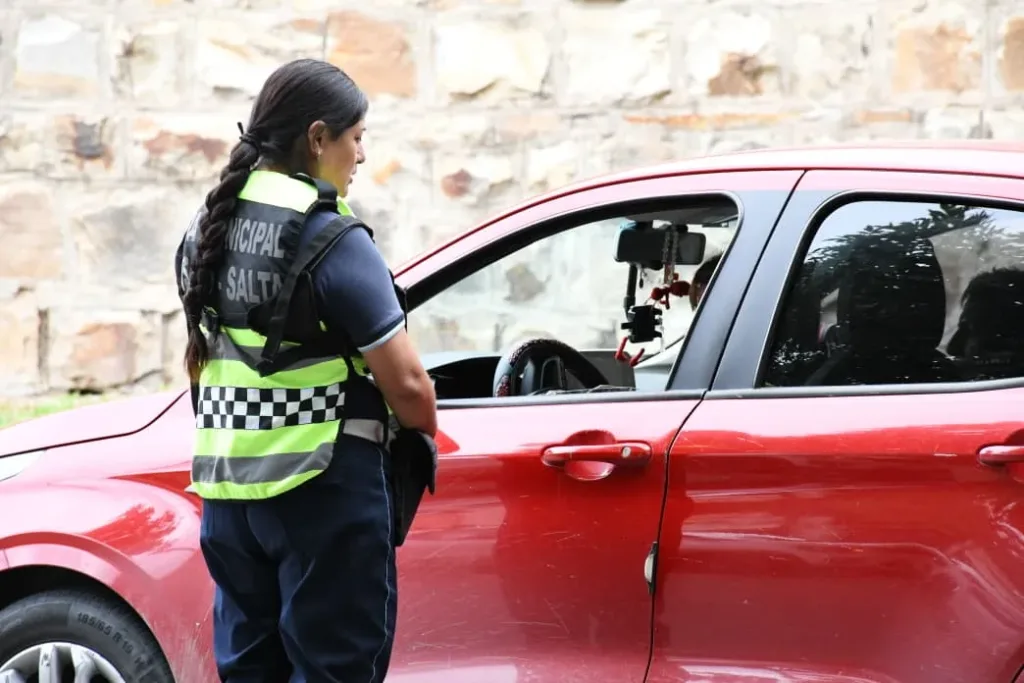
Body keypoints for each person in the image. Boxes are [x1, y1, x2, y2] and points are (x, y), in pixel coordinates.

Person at [173, 58, 437, 683]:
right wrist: (424, 428)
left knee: (249, 671)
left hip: (228, 495)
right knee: (334, 669)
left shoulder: (204, 227)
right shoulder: (331, 236)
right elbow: (407, 384)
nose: (362, 155)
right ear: (318, 138)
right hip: (322, 489)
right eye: (356, 137)